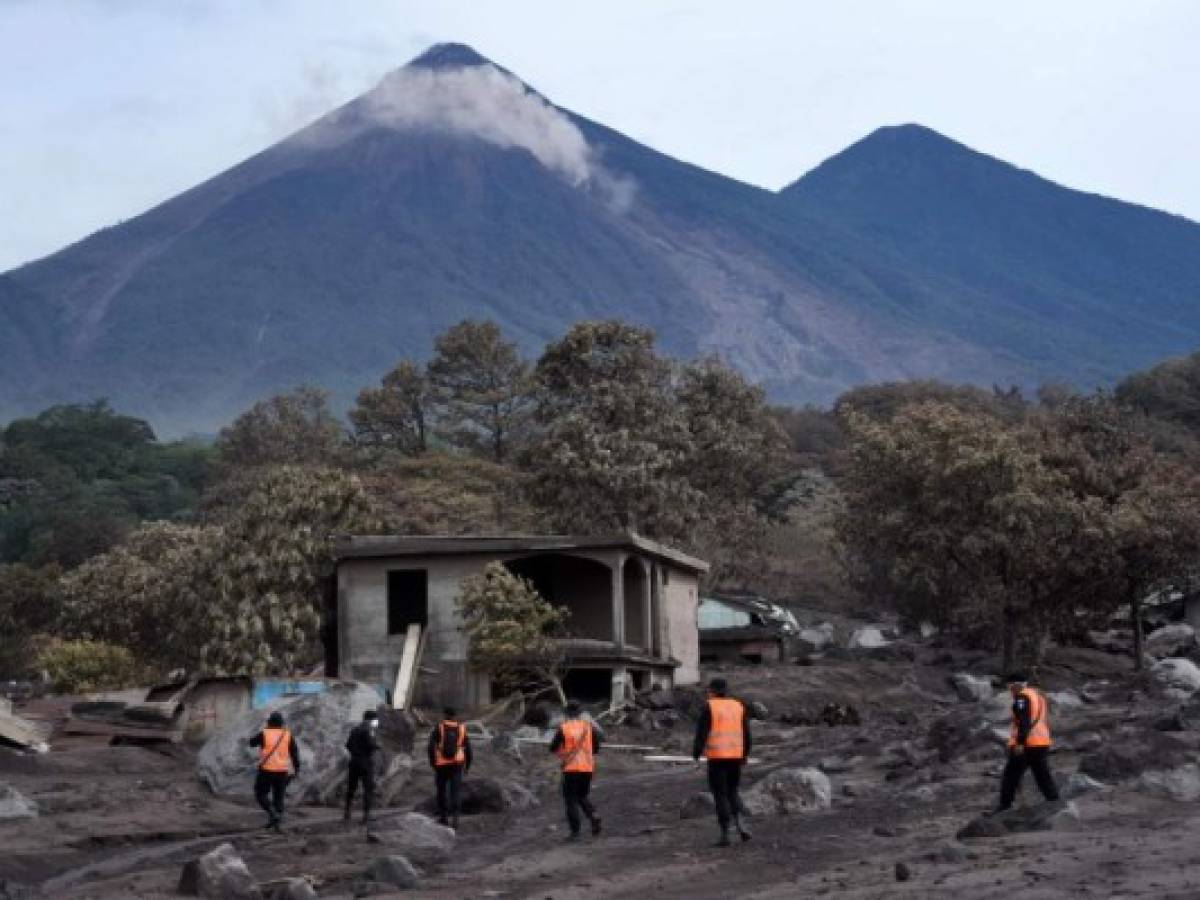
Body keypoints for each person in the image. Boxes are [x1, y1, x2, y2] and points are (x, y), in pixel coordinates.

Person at [693, 677, 752, 846]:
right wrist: (745, 755)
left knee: (720, 794)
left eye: (708, 690)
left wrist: (696, 754)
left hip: (717, 757)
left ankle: (725, 833)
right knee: (733, 791)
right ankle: (741, 824)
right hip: (736, 756)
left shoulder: (709, 706)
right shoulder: (738, 706)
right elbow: (747, 734)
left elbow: (701, 733)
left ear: (712, 691)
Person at [997, 672, 1060, 812]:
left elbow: (1024, 722)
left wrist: (1020, 742)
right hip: (1041, 741)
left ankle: (1005, 806)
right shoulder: (1037, 696)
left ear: (1016, 684)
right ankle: (1054, 801)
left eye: (1010, 686)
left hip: (1027, 744)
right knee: (1042, 774)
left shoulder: (1022, 698)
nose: (1009, 690)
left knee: (1011, 775)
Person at [549, 700, 602, 841]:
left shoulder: (564, 728)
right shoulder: (589, 728)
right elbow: (596, 748)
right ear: (580, 713)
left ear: (567, 713)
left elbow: (552, 747)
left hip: (571, 768)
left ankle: (575, 832)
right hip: (587, 767)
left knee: (571, 799)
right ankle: (594, 815)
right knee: (582, 796)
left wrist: (563, 754)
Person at [246, 710, 301, 832]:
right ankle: (277, 824)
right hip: (282, 771)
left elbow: (251, 743)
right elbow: (294, 753)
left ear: (270, 722)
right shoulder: (287, 735)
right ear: (281, 723)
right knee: (279, 797)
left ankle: (272, 814)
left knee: (260, 794)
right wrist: (297, 769)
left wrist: (252, 736)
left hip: (267, 769)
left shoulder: (264, 734)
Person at [427, 706, 471, 828]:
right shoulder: (462, 728)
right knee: (455, 792)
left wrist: (433, 763)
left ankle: (443, 818)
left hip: (441, 765)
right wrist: (467, 766)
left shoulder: (439, 727)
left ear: (445, 714)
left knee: (441, 792)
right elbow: (469, 749)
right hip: (457, 764)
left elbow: (430, 747)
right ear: (455, 715)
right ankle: (456, 820)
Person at [344, 709, 381, 825]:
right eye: (376, 720)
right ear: (372, 720)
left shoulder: (354, 729)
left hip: (354, 761)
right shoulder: (369, 730)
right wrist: (377, 746)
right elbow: (371, 744)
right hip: (365, 762)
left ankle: (347, 811)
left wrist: (355, 753)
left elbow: (348, 745)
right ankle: (366, 815)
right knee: (368, 789)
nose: (376, 722)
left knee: (351, 787)